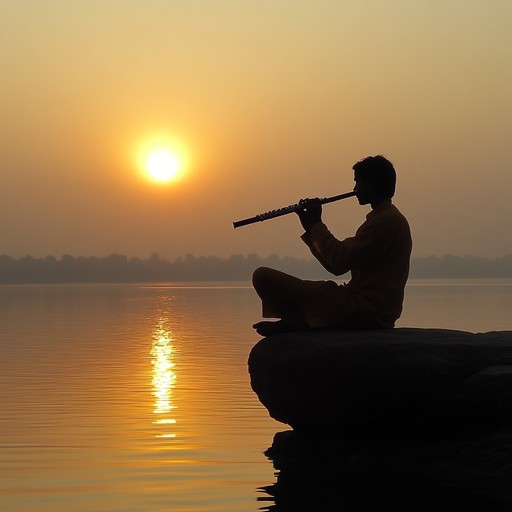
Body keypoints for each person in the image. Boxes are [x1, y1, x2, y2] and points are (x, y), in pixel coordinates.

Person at [252, 155, 412, 336]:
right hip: (360, 305)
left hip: (364, 310)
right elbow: (335, 264)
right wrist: (311, 227)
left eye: (358, 183)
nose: (355, 189)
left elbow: (339, 262)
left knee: (262, 276)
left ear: (372, 185)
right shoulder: (386, 218)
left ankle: (294, 323)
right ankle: (296, 322)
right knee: (264, 277)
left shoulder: (387, 221)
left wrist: (318, 224)